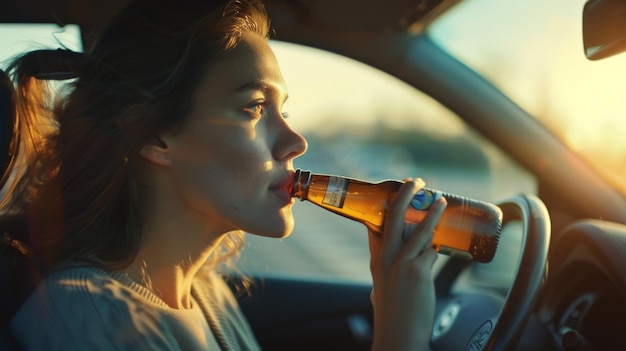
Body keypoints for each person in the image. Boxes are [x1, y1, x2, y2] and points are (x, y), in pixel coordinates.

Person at [2, 0, 447, 349]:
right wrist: (400, 336)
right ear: (154, 136)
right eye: (255, 107)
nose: (296, 142)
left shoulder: (202, 292)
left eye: (283, 109)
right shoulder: (90, 315)